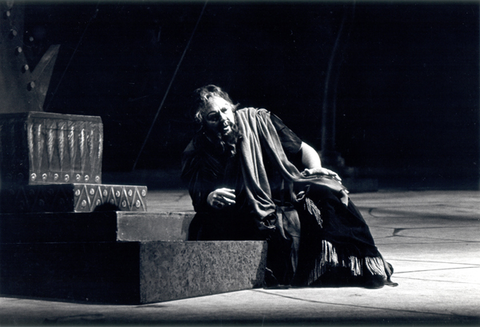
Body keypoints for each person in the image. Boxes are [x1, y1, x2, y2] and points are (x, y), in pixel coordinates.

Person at [181, 84, 397, 289]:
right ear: (202, 123)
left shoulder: (259, 121)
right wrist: (210, 196)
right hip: (238, 208)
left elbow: (304, 150)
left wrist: (315, 169)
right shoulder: (197, 150)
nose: (223, 119)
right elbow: (199, 194)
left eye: (225, 110)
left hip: (278, 196)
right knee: (214, 225)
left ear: (232, 107)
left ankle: (357, 266)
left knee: (326, 192)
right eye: (213, 117)